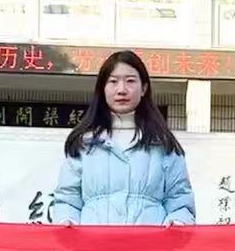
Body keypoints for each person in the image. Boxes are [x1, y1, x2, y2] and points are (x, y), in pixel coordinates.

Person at [52, 50, 195, 226]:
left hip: (149, 243)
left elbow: (180, 201)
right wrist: (67, 221)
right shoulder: (84, 143)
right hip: (94, 243)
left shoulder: (163, 143)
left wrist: (178, 221)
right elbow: (67, 200)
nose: (121, 90)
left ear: (144, 88)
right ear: (103, 89)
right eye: (113, 81)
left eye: (130, 81)